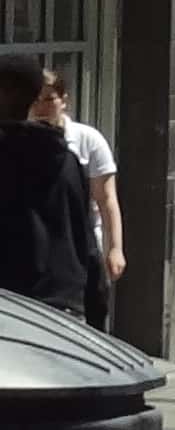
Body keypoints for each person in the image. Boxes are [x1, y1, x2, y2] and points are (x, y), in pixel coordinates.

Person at [0, 55, 106, 323]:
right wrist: (95, 315)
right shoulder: (67, 159)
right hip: (63, 312)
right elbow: (85, 240)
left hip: (10, 311)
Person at [38, 68, 120, 296]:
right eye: (36, 101)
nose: (42, 108)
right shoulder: (17, 142)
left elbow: (107, 200)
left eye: (49, 100)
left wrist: (115, 248)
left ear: (63, 101)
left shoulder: (88, 140)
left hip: (81, 242)